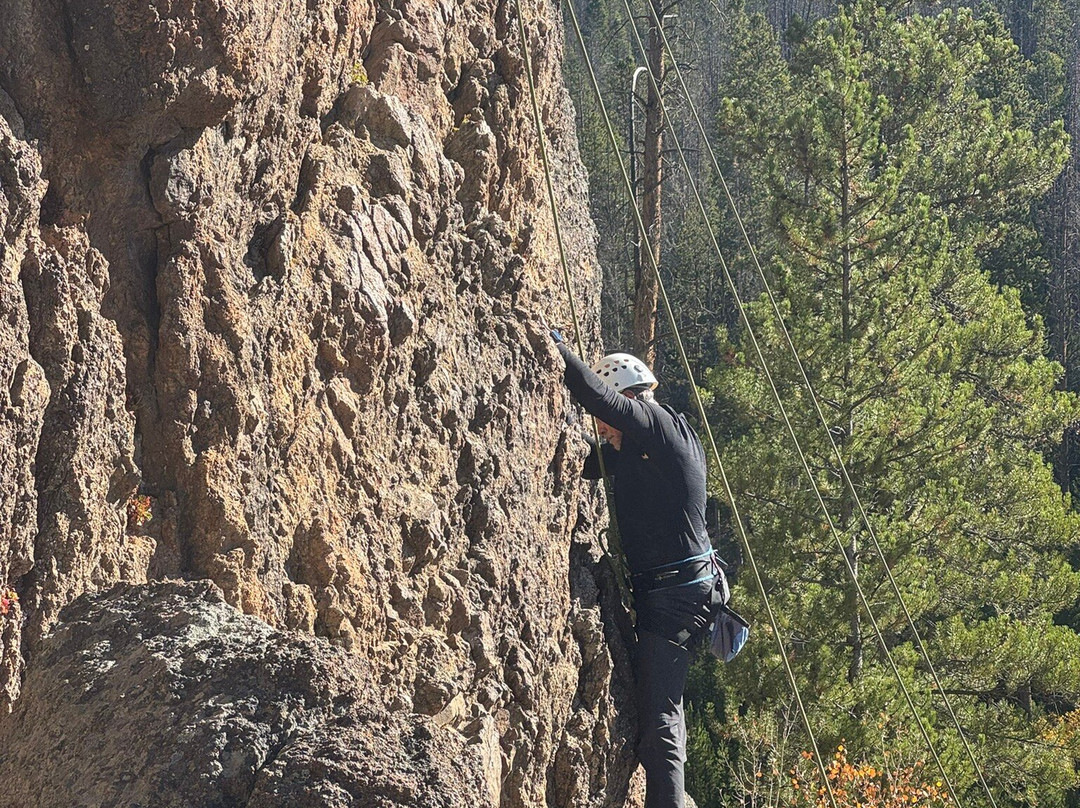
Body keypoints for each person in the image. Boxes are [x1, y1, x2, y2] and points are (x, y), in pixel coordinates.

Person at [552, 332, 724, 808]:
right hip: (680, 593)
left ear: (628, 396)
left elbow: (593, 393)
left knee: (659, 724)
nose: (603, 430)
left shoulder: (653, 422)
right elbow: (593, 462)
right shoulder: (649, 445)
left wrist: (554, 350)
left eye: (607, 423)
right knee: (662, 712)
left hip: (676, 599)